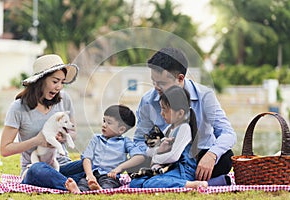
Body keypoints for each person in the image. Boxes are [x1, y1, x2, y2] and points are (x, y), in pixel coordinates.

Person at [133, 47, 236, 182]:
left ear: (180, 78)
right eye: (154, 81)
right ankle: (211, 183)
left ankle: (178, 181)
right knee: (139, 166)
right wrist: (154, 153)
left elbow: (227, 133)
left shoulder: (205, 96)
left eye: (162, 83)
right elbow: (140, 140)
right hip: (165, 158)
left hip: (197, 159)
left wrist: (212, 155)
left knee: (225, 158)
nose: (156, 87)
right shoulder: (148, 101)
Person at [0, 54, 84, 190]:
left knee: (91, 161)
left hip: (62, 166)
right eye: (55, 81)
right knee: (37, 170)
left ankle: (68, 184)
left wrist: (63, 137)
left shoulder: (64, 99)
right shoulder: (18, 108)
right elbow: (5, 149)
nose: (59, 87)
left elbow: (73, 133)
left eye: (62, 82)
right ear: (40, 80)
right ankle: (73, 185)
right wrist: (37, 141)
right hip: (36, 167)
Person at [130, 85, 208, 188]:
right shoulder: (169, 129)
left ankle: (190, 184)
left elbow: (174, 156)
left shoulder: (184, 128)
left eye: (165, 109)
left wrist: (155, 158)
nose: (161, 113)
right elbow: (149, 151)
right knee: (135, 183)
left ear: (180, 113)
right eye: (161, 109)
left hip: (183, 170)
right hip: (169, 168)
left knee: (151, 183)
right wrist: (159, 149)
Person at [65, 105, 145, 193]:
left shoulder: (125, 142)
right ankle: (78, 191)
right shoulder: (96, 139)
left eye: (109, 123)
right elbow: (87, 158)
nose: (104, 125)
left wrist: (119, 168)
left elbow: (139, 157)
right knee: (83, 183)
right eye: (104, 121)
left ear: (121, 129)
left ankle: (101, 190)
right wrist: (89, 175)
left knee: (108, 185)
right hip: (93, 174)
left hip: (110, 176)